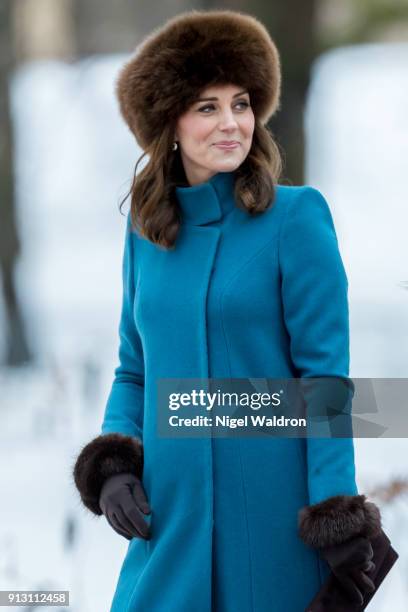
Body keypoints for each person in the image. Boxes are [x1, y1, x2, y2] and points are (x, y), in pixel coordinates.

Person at [72, 9, 383, 611]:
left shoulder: (297, 220)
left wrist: (334, 512)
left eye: (240, 103)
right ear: (170, 122)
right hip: (170, 523)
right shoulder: (146, 236)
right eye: (207, 106)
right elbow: (133, 369)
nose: (231, 124)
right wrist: (114, 464)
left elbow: (324, 382)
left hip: (271, 526)